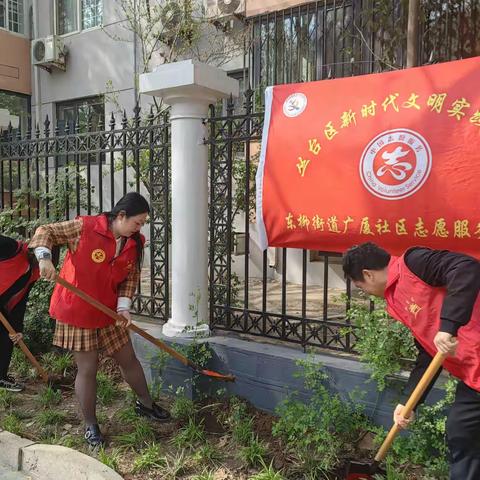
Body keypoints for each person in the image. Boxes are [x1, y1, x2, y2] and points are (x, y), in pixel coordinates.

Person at [29, 192, 170, 448]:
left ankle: (146, 405)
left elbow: (130, 277)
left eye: (142, 224)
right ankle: (91, 426)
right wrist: (44, 258)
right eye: (137, 222)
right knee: (88, 368)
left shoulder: (133, 241)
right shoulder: (84, 227)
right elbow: (45, 231)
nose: (139, 228)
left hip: (108, 312)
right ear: (121, 215)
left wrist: (124, 307)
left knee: (128, 358)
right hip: (77, 311)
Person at [342, 242, 480, 480]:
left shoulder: (414, 263)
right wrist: (408, 402)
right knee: (461, 432)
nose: (363, 291)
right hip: (473, 376)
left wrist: (448, 326)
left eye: (359, 286)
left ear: (367, 274)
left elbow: (467, 268)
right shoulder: (394, 301)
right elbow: (428, 353)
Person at [0, 235, 40, 392]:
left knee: (7, 332)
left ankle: (1, 376)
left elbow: (20, 300)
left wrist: (17, 329)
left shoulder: (33, 272)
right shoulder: (12, 248)